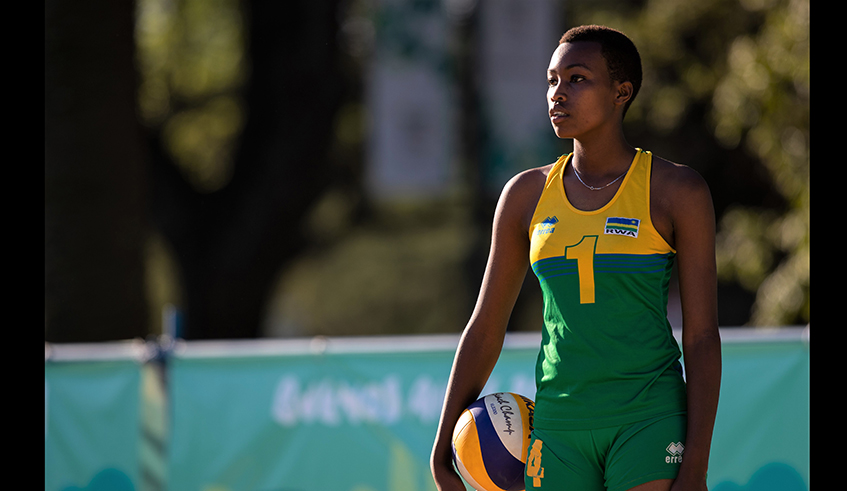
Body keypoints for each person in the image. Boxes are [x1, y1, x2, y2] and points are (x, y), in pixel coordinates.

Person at [430, 25, 721, 491]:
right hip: (558, 426)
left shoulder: (676, 190)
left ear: (621, 92)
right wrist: (442, 447)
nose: (557, 94)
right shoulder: (524, 195)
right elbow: (485, 326)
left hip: (648, 416)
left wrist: (696, 464)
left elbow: (703, 336)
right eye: (552, 80)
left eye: (577, 79)